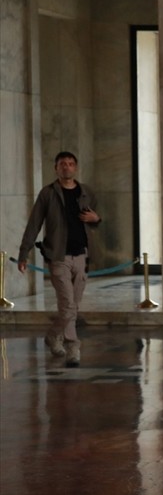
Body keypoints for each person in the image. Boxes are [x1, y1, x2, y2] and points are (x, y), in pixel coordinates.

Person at [16, 151, 102, 367]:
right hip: (58, 255)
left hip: (81, 254)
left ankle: (54, 335)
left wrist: (97, 219)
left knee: (73, 305)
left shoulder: (86, 192)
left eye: (71, 163)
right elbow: (34, 224)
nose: (67, 167)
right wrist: (23, 253)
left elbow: (94, 219)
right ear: (56, 168)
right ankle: (73, 346)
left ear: (76, 168)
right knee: (67, 304)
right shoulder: (48, 193)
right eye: (62, 164)